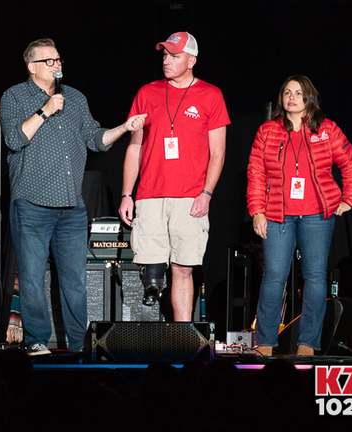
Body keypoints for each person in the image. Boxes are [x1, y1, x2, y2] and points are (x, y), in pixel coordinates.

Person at [0, 38, 147, 355]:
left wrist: (124, 127)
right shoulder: (14, 96)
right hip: (31, 205)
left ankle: (80, 345)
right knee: (32, 279)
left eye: (58, 60)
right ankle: (37, 341)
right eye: (49, 61)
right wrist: (45, 110)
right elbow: (14, 138)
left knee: (75, 282)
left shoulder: (75, 98)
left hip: (71, 208)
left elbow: (96, 139)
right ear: (32, 67)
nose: (57, 65)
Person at [247, 74, 352, 356]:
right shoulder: (268, 131)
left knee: (314, 277)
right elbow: (256, 173)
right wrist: (257, 211)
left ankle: (308, 344)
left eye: (298, 93)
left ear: (309, 97)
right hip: (277, 215)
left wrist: (349, 199)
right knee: (274, 276)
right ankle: (265, 344)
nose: (291, 97)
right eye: (287, 92)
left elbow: (351, 162)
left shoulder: (327, 129)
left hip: (317, 216)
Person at [118, 32, 229, 321]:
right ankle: (143, 341)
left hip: (190, 196)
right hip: (150, 195)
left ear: (191, 60)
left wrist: (206, 193)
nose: (167, 61)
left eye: (174, 56)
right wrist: (126, 194)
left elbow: (217, 152)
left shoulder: (211, 95)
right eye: (165, 55)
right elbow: (135, 146)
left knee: (183, 268)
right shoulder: (147, 92)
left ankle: (182, 337)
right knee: (149, 269)